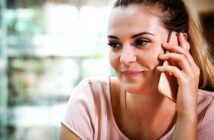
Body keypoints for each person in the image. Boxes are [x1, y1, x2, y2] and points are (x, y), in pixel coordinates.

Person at [60, 0, 214, 139]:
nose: (124, 59)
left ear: (178, 44)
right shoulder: (90, 99)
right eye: (115, 44)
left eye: (141, 42)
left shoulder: (209, 112)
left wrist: (187, 115)